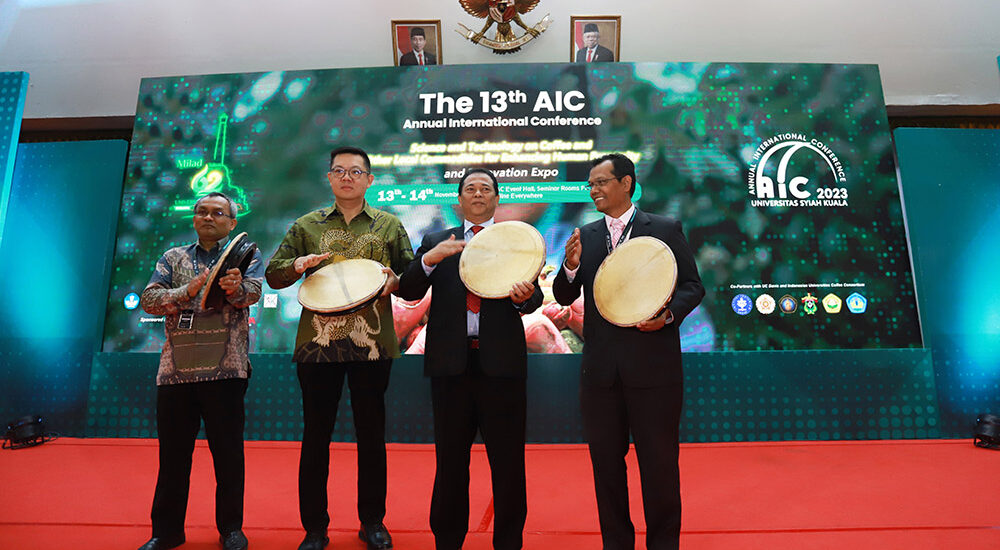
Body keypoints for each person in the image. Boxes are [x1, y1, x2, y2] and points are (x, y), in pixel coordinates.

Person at [265, 146, 415, 550]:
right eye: (339, 171)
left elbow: (412, 278)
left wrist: (396, 282)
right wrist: (298, 266)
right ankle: (315, 528)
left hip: (372, 346)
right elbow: (273, 275)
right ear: (329, 178)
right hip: (319, 345)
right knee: (316, 436)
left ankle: (373, 523)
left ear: (370, 180)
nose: (347, 177)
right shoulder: (306, 225)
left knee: (372, 436)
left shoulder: (389, 225)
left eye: (356, 171)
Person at [552, 154, 704, 550]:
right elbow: (564, 295)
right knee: (606, 468)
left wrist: (668, 316)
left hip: (654, 372)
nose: (594, 190)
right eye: (590, 184)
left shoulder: (664, 229)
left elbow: (692, 286)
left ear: (626, 183)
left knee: (659, 467)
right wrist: (570, 267)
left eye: (602, 182)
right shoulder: (585, 235)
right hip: (601, 375)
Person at [397, 168, 543, 550]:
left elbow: (535, 299)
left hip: (502, 367)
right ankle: (447, 540)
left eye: (486, 189)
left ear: (497, 198)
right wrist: (429, 260)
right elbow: (409, 289)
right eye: (470, 189)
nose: (478, 194)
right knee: (450, 461)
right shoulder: (436, 240)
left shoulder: (515, 241)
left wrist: (523, 297)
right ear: (459, 199)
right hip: (451, 367)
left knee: (508, 462)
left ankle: (508, 541)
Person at [138, 191, 263, 550]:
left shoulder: (246, 255)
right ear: (193, 218)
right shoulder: (172, 257)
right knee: (173, 457)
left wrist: (235, 288)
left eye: (218, 213)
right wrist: (185, 290)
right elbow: (149, 300)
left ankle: (231, 530)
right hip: (175, 372)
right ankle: (166, 532)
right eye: (202, 211)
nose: (209, 217)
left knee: (228, 456)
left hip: (226, 372)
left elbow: (253, 293)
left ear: (232, 222)